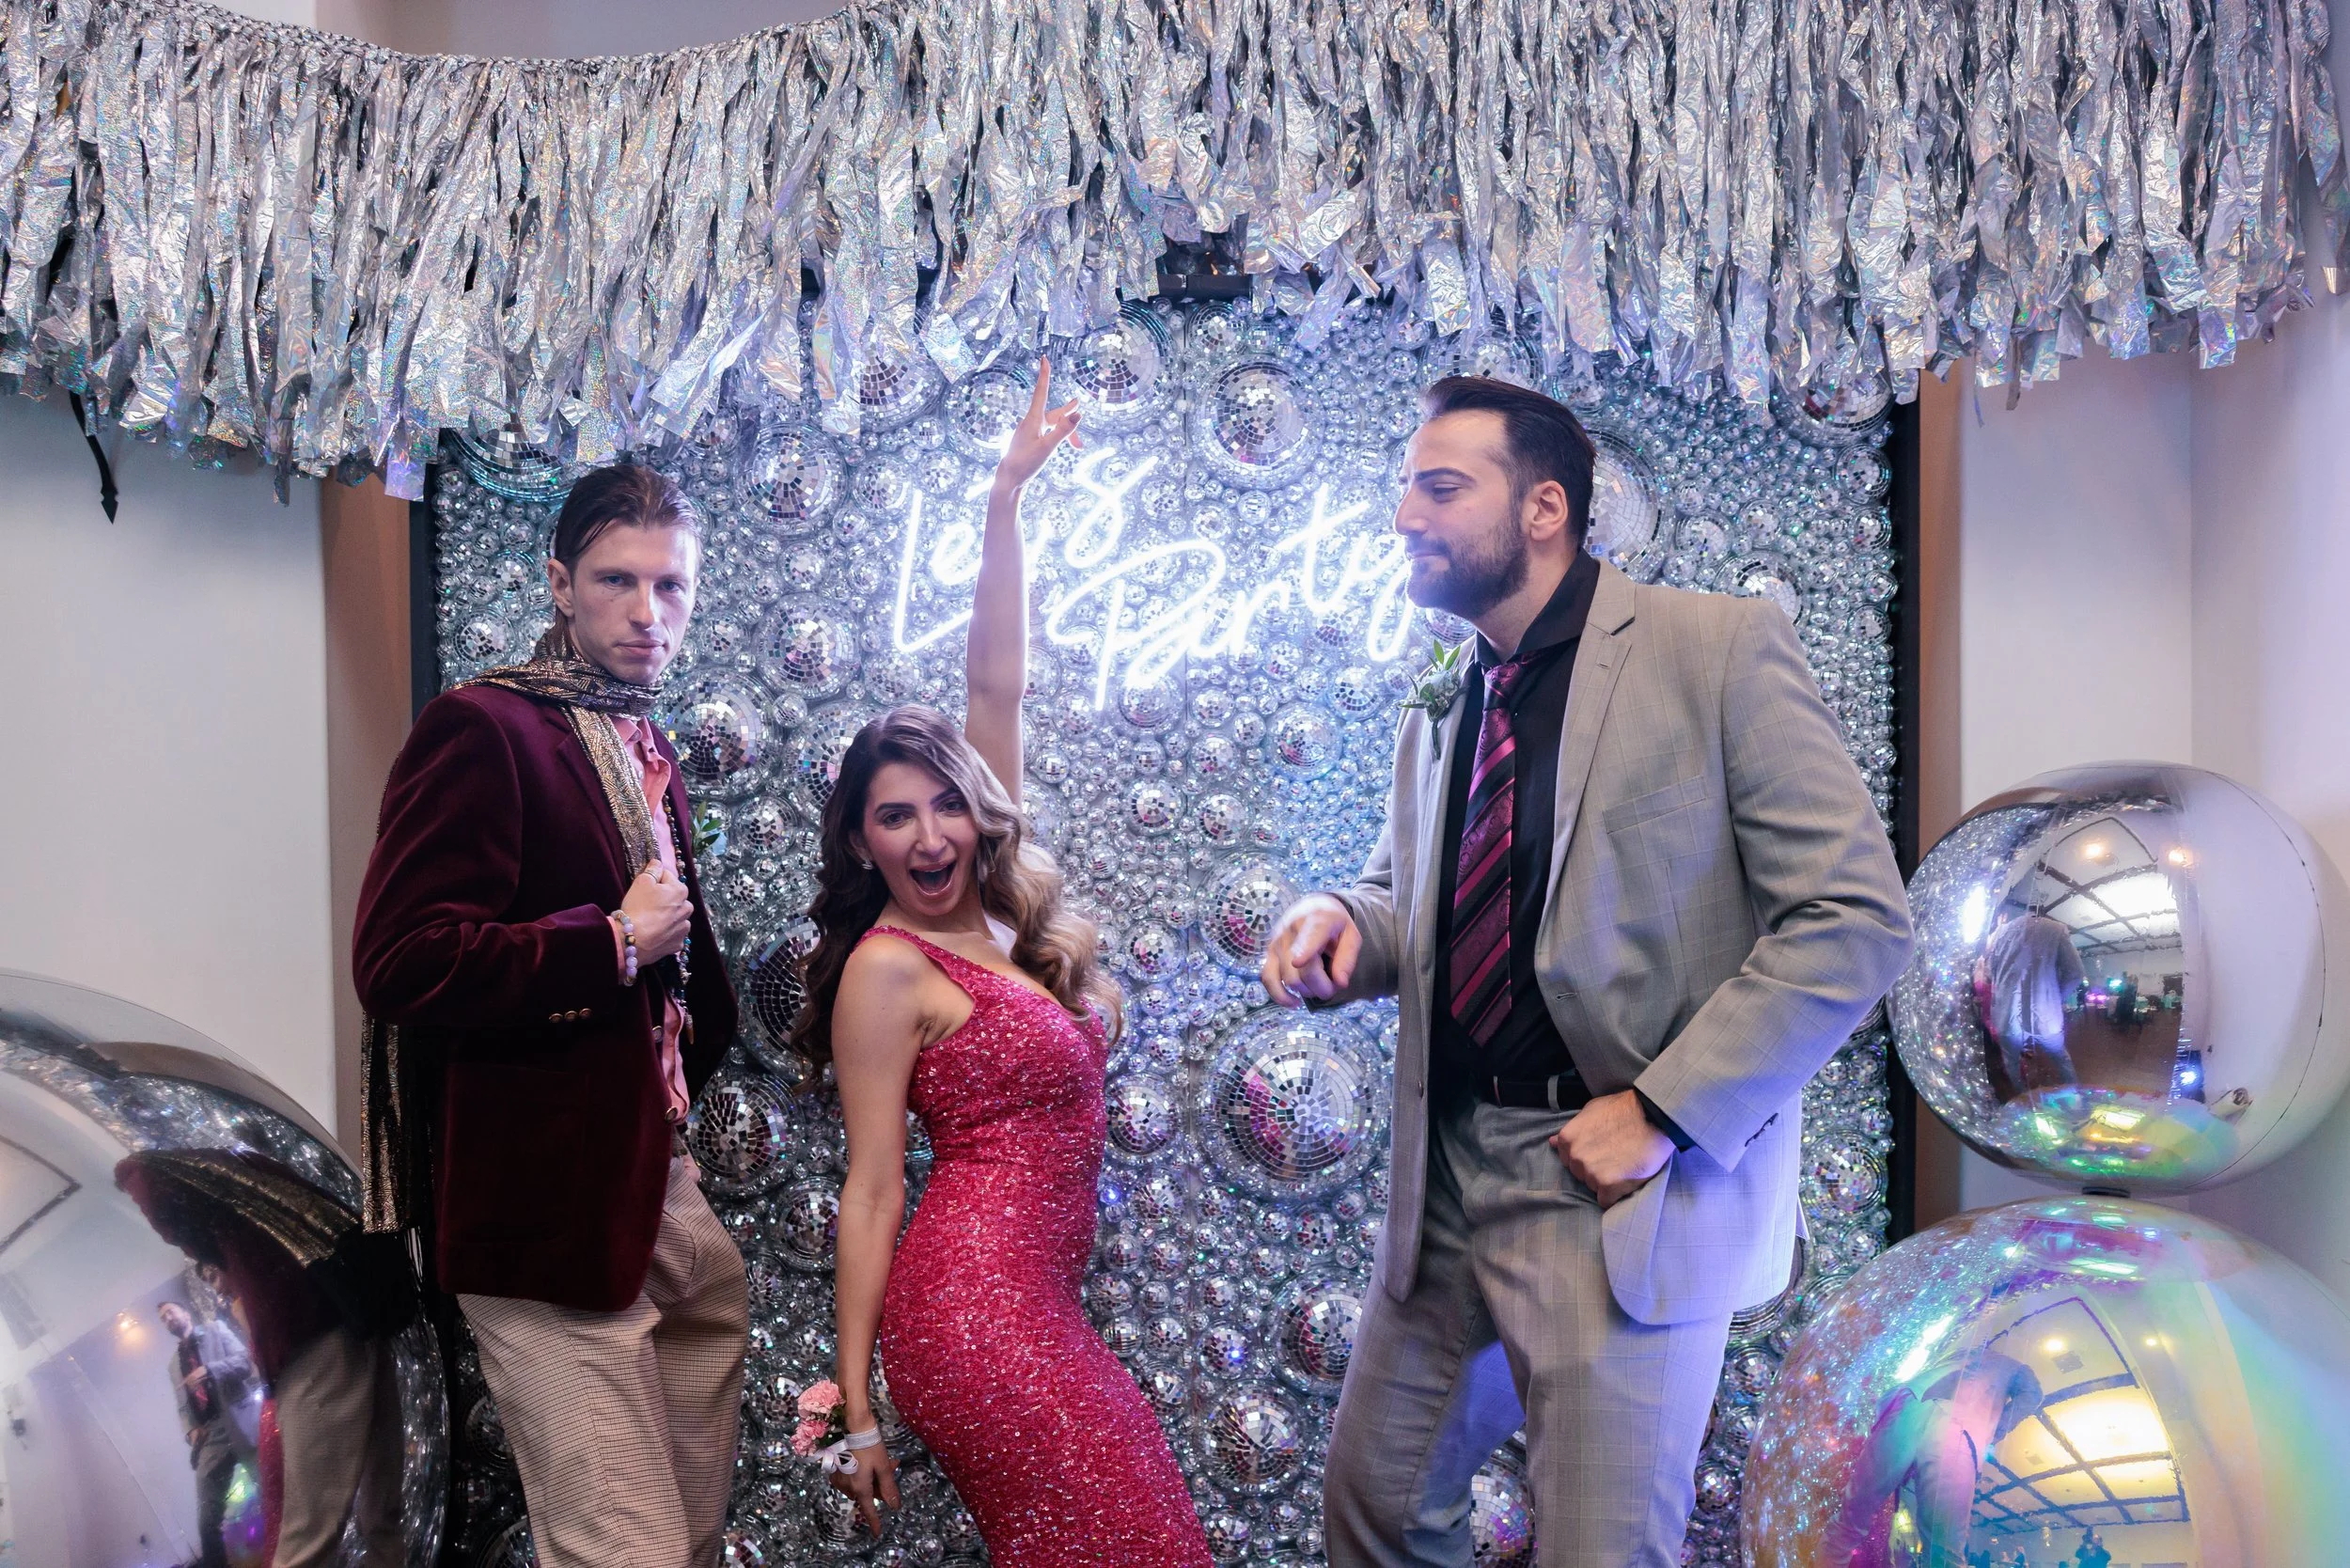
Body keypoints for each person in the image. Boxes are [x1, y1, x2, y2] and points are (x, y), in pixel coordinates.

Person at [1261, 376, 1914, 1567]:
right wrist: (1341, 924)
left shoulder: (1714, 650)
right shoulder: (1448, 694)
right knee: (1376, 1513)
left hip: (1620, 1189)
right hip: (1447, 1178)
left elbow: (1854, 919)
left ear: (1545, 507)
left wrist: (1662, 1113)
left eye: (1439, 488)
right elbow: (1414, 907)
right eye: (1406, 488)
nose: (1405, 515)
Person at [795, 363, 1212, 1565]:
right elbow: (873, 1191)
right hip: (973, 1321)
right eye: (894, 817)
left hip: (1036, 1309)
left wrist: (1004, 500)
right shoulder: (884, 970)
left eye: (946, 805)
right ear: (861, 842)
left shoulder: (992, 920)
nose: (928, 835)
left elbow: (994, 684)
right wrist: (856, 1409)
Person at [353, 463, 744, 1568]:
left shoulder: (634, 742)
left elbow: (680, 981)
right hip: (542, 1217)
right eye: (617, 581)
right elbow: (400, 961)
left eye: (670, 586)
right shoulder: (484, 728)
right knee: (625, 1553)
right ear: (560, 585)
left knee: (690, 1541)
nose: (647, 612)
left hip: (655, 1189)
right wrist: (609, 942)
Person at [159, 1299, 258, 1568]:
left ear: (185, 1312)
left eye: (170, 1312)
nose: (167, 1319)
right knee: (206, 1520)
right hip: (211, 1436)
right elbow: (183, 1406)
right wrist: (190, 1429)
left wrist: (211, 1370)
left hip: (242, 1421)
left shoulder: (216, 1330)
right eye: (163, 1318)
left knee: (275, 1489)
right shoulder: (173, 1365)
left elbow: (245, 1362)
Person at [1981, 909, 2087, 1096]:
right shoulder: (2056, 929)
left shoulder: (2000, 933)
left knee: (2012, 1062)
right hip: (2045, 1014)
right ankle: (2075, 1097)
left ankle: (2023, 1098)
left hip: (2007, 1014)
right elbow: (2075, 973)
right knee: (2060, 1059)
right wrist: (2056, 997)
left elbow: (1989, 974)